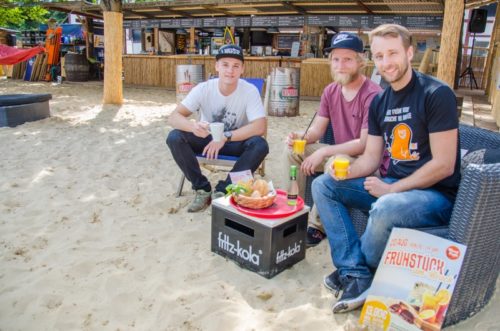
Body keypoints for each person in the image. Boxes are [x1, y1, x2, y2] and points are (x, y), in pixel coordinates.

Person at [312, 24, 460, 313]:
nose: (386, 62)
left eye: (392, 53)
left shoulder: (436, 93)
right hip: (392, 185)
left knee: (386, 207)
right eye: (379, 56)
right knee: (323, 185)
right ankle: (355, 272)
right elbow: (370, 159)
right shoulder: (380, 101)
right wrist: (341, 172)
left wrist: (391, 188)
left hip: (435, 195)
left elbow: (444, 165)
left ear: (408, 52)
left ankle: (353, 272)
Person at [282, 32, 382, 246]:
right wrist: (301, 137)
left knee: (333, 162)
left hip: (365, 161)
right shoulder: (330, 91)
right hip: (339, 151)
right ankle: (293, 209)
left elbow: (364, 144)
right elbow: (317, 130)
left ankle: (317, 226)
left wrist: (324, 151)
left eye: (347, 59)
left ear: (360, 61)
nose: (340, 65)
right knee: (293, 151)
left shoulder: (372, 94)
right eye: (336, 59)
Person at [166, 44, 269, 212]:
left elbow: (259, 127)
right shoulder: (204, 88)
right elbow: (174, 117)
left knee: (260, 145)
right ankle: (202, 188)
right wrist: (193, 127)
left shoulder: (249, 91)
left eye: (236, 66)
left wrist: (225, 137)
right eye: (225, 64)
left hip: (234, 141)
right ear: (216, 66)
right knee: (174, 137)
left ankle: (225, 189)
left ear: (242, 69)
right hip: (207, 140)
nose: (230, 70)